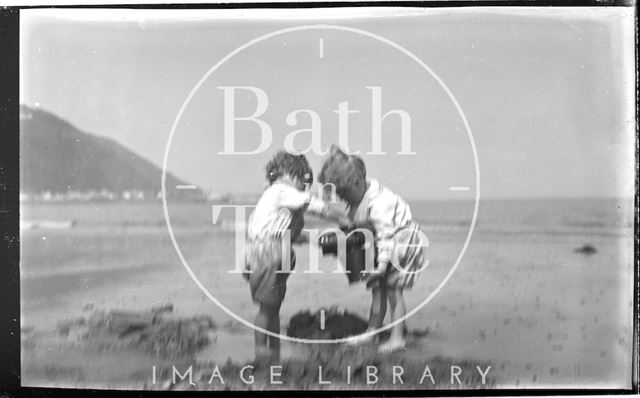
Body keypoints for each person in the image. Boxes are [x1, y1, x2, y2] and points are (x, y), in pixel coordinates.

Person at [318, 145, 427, 353]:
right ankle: (372, 331)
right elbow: (356, 225)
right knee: (378, 290)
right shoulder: (356, 199)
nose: (342, 198)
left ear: (357, 182)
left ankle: (397, 338)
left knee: (394, 290)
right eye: (338, 194)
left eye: (343, 192)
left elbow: (386, 236)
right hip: (380, 243)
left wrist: (383, 265)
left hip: (400, 244)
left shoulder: (380, 203)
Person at [243, 150, 349, 362]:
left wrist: (314, 240)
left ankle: (273, 346)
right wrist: (343, 220)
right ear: (291, 175)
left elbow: (287, 232)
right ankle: (261, 350)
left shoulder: (278, 200)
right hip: (268, 252)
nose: (305, 188)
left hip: (271, 251)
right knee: (267, 308)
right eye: (304, 182)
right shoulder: (281, 189)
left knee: (273, 306)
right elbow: (313, 205)